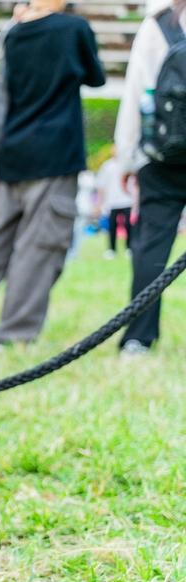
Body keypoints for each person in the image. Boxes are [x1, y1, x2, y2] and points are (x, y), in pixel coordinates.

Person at [0, 0, 105, 347]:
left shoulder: (14, 32)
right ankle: (14, 334)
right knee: (39, 247)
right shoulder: (74, 29)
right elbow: (96, 76)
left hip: (12, 153)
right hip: (56, 155)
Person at [114, 0, 186, 355]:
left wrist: (127, 158)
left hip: (162, 155)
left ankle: (137, 338)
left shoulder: (157, 24)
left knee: (152, 246)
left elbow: (135, 92)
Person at [96, 151, 135, 258]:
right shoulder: (107, 166)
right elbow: (101, 185)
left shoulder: (128, 164)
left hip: (127, 200)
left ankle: (129, 247)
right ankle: (111, 249)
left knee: (128, 226)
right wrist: (100, 203)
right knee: (112, 227)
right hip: (112, 202)